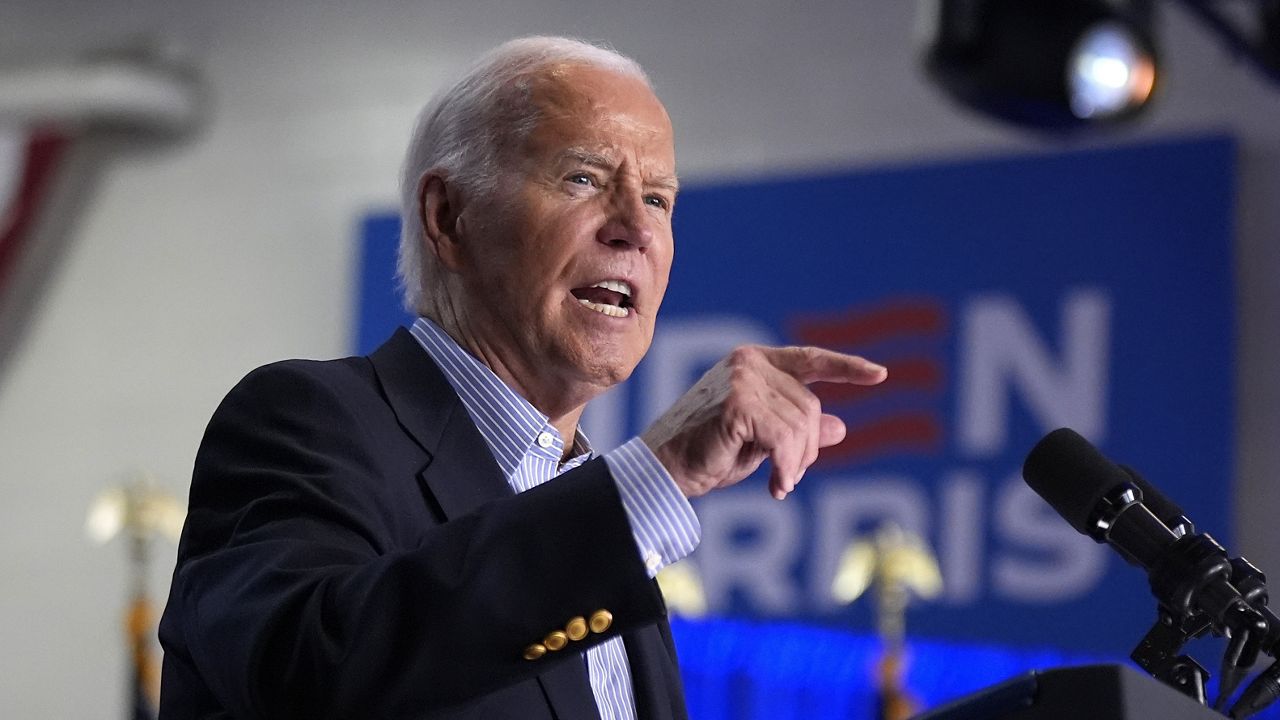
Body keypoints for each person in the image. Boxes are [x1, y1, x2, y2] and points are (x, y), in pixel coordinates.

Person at [157, 36, 887, 720]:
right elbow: (309, 674)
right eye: (583, 178)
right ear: (448, 217)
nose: (634, 226)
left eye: (659, 198)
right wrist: (654, 476)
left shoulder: (597, 524)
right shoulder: (308, 421)